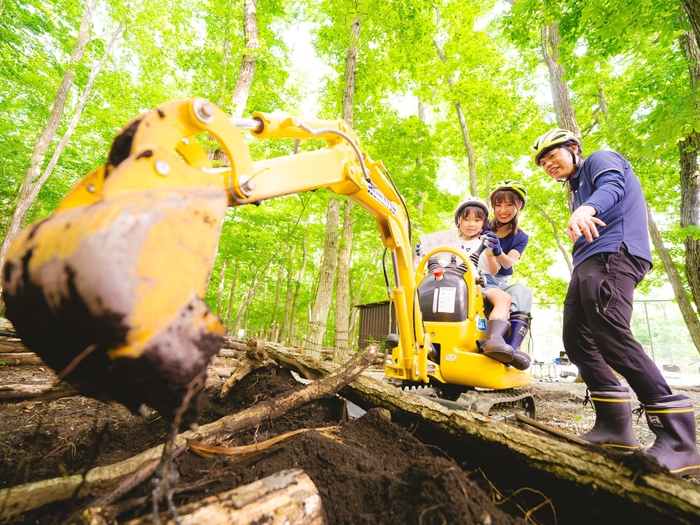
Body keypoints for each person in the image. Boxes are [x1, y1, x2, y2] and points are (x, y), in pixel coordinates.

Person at [533, 128, 700, 476]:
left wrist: (588, 209)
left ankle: (680, 442)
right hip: (588, 261)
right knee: (576, 340)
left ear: (574, 149)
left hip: (615, 252)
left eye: (553, 155)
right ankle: (615, 428)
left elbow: (614, 186)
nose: (548, 164)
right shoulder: (576, 187)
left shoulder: (600, 159)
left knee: (612, 336)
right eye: (542, 162)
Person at [485, 181, 534, 371]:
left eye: (508, 205)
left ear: (519, 206)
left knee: (522, 292)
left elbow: (508, 263)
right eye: (498, 205)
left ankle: (511, 348)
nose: (502, 210)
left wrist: (497, 251)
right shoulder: (483, 226)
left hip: (501, 281)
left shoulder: (520, 236)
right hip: (478, 276)